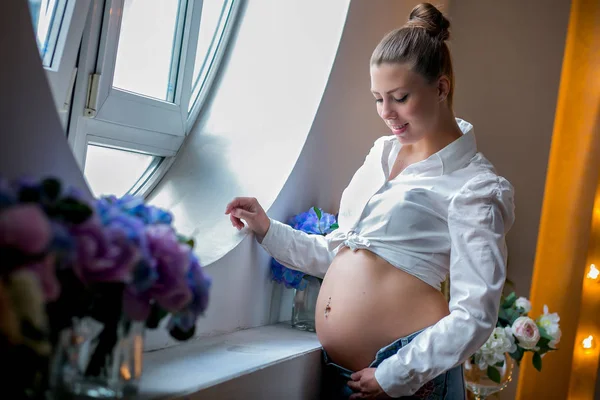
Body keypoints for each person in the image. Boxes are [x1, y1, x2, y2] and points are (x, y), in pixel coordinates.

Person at [225, 3, 515, 399]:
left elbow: (475, 316)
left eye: (399, 97)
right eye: (378, 98)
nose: (386, 113)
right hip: (343, 374)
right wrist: (268, 231)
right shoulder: (381, 153)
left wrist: (396, 374)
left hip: (408, 381)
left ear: (441, 88)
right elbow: (343, 253)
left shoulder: (475, 187)